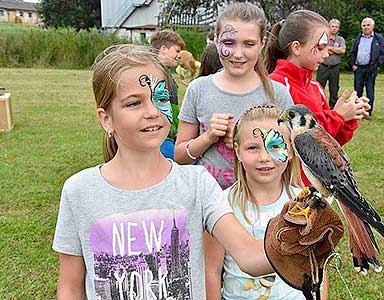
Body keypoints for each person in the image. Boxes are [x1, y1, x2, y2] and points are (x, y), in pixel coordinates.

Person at [52, 44, 274, 300]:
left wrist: (301, 239)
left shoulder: (198, 184)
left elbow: (250, 256)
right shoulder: (79, 191)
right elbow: (70, 287)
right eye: (134, 103)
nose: (153, 112)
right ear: (106, 119)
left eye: (161, 98)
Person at [175, 2, 293, 190]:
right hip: (208, 203)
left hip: (261, 204)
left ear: (262, 43)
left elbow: (290, 155)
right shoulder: (198, 89)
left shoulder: (278, 94)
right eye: (229, 43)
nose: (238, 54)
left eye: (249, 44)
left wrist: (248, 142)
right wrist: (208, 137)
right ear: (216, 40)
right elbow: (179, 157)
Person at [205, 104, 307, 300]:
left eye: (275, 146)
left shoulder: (305, 203)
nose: (264, 157)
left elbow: (317, 269)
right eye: (253, 147)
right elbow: (211, 271)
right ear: (237, 151)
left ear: (292, 150)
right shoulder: (219, 204)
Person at [265, 10, 369, 185]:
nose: (327, 53)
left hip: (319, 184)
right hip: (287, 186)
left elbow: (329, 144)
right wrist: (338, 116)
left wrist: (350, 117)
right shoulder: (276, 85)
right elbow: (285, 138)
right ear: (296, 47)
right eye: (320, 47)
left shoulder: (315, 87)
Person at [150, 29, 185, 158]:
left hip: (170, 133)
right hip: (161, 138)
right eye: (176, 50)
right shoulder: (153, 72)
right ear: (163, 48)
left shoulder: (165, 72)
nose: (179, 55)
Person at [348, 17, 384, 119]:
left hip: (371, 69)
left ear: (372, 26)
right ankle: (357, 112)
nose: (366, 27)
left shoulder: (378, 38)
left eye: (368, 25)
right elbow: (352, 52)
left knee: (370, 90)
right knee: (357, 91)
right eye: (364, 25)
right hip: (359, 68)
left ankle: (368, 113)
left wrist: (376, 64)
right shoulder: (358, 39)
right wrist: (353, 65)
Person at [316, 19, 346, 109]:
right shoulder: (324, 38)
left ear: (338, 28)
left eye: (336, 27)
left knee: (334, 88)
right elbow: (320, 48)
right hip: (323, 66)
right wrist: (331, 50)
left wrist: (330, 48)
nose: (334, 28)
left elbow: (342, 50)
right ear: (329, 27)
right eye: (332, 26)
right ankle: (318, 105)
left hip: (334, 67)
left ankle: (333, 107)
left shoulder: (340, 39)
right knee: (319, 87)